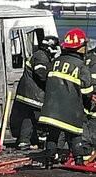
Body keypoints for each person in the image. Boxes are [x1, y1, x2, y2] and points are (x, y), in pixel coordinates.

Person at [39, 28, 93, 168]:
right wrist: (88, 106)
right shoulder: (81, 66)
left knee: (53, 134)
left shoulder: (55, 62)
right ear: (80, 48)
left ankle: (49, 161)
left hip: (51, 107)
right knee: (75, 134)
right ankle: (79, 161)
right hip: (71, 109)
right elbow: (87, 91)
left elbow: (47, 80)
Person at [11, 35, 60, 150]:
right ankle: (44, 139)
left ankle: (24, 141)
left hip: (27, 93)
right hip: (34, 94)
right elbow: (41, 74)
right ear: (50, 48)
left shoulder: (40, 55)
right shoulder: (41, 56)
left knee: (28, 117)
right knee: (43, 117)